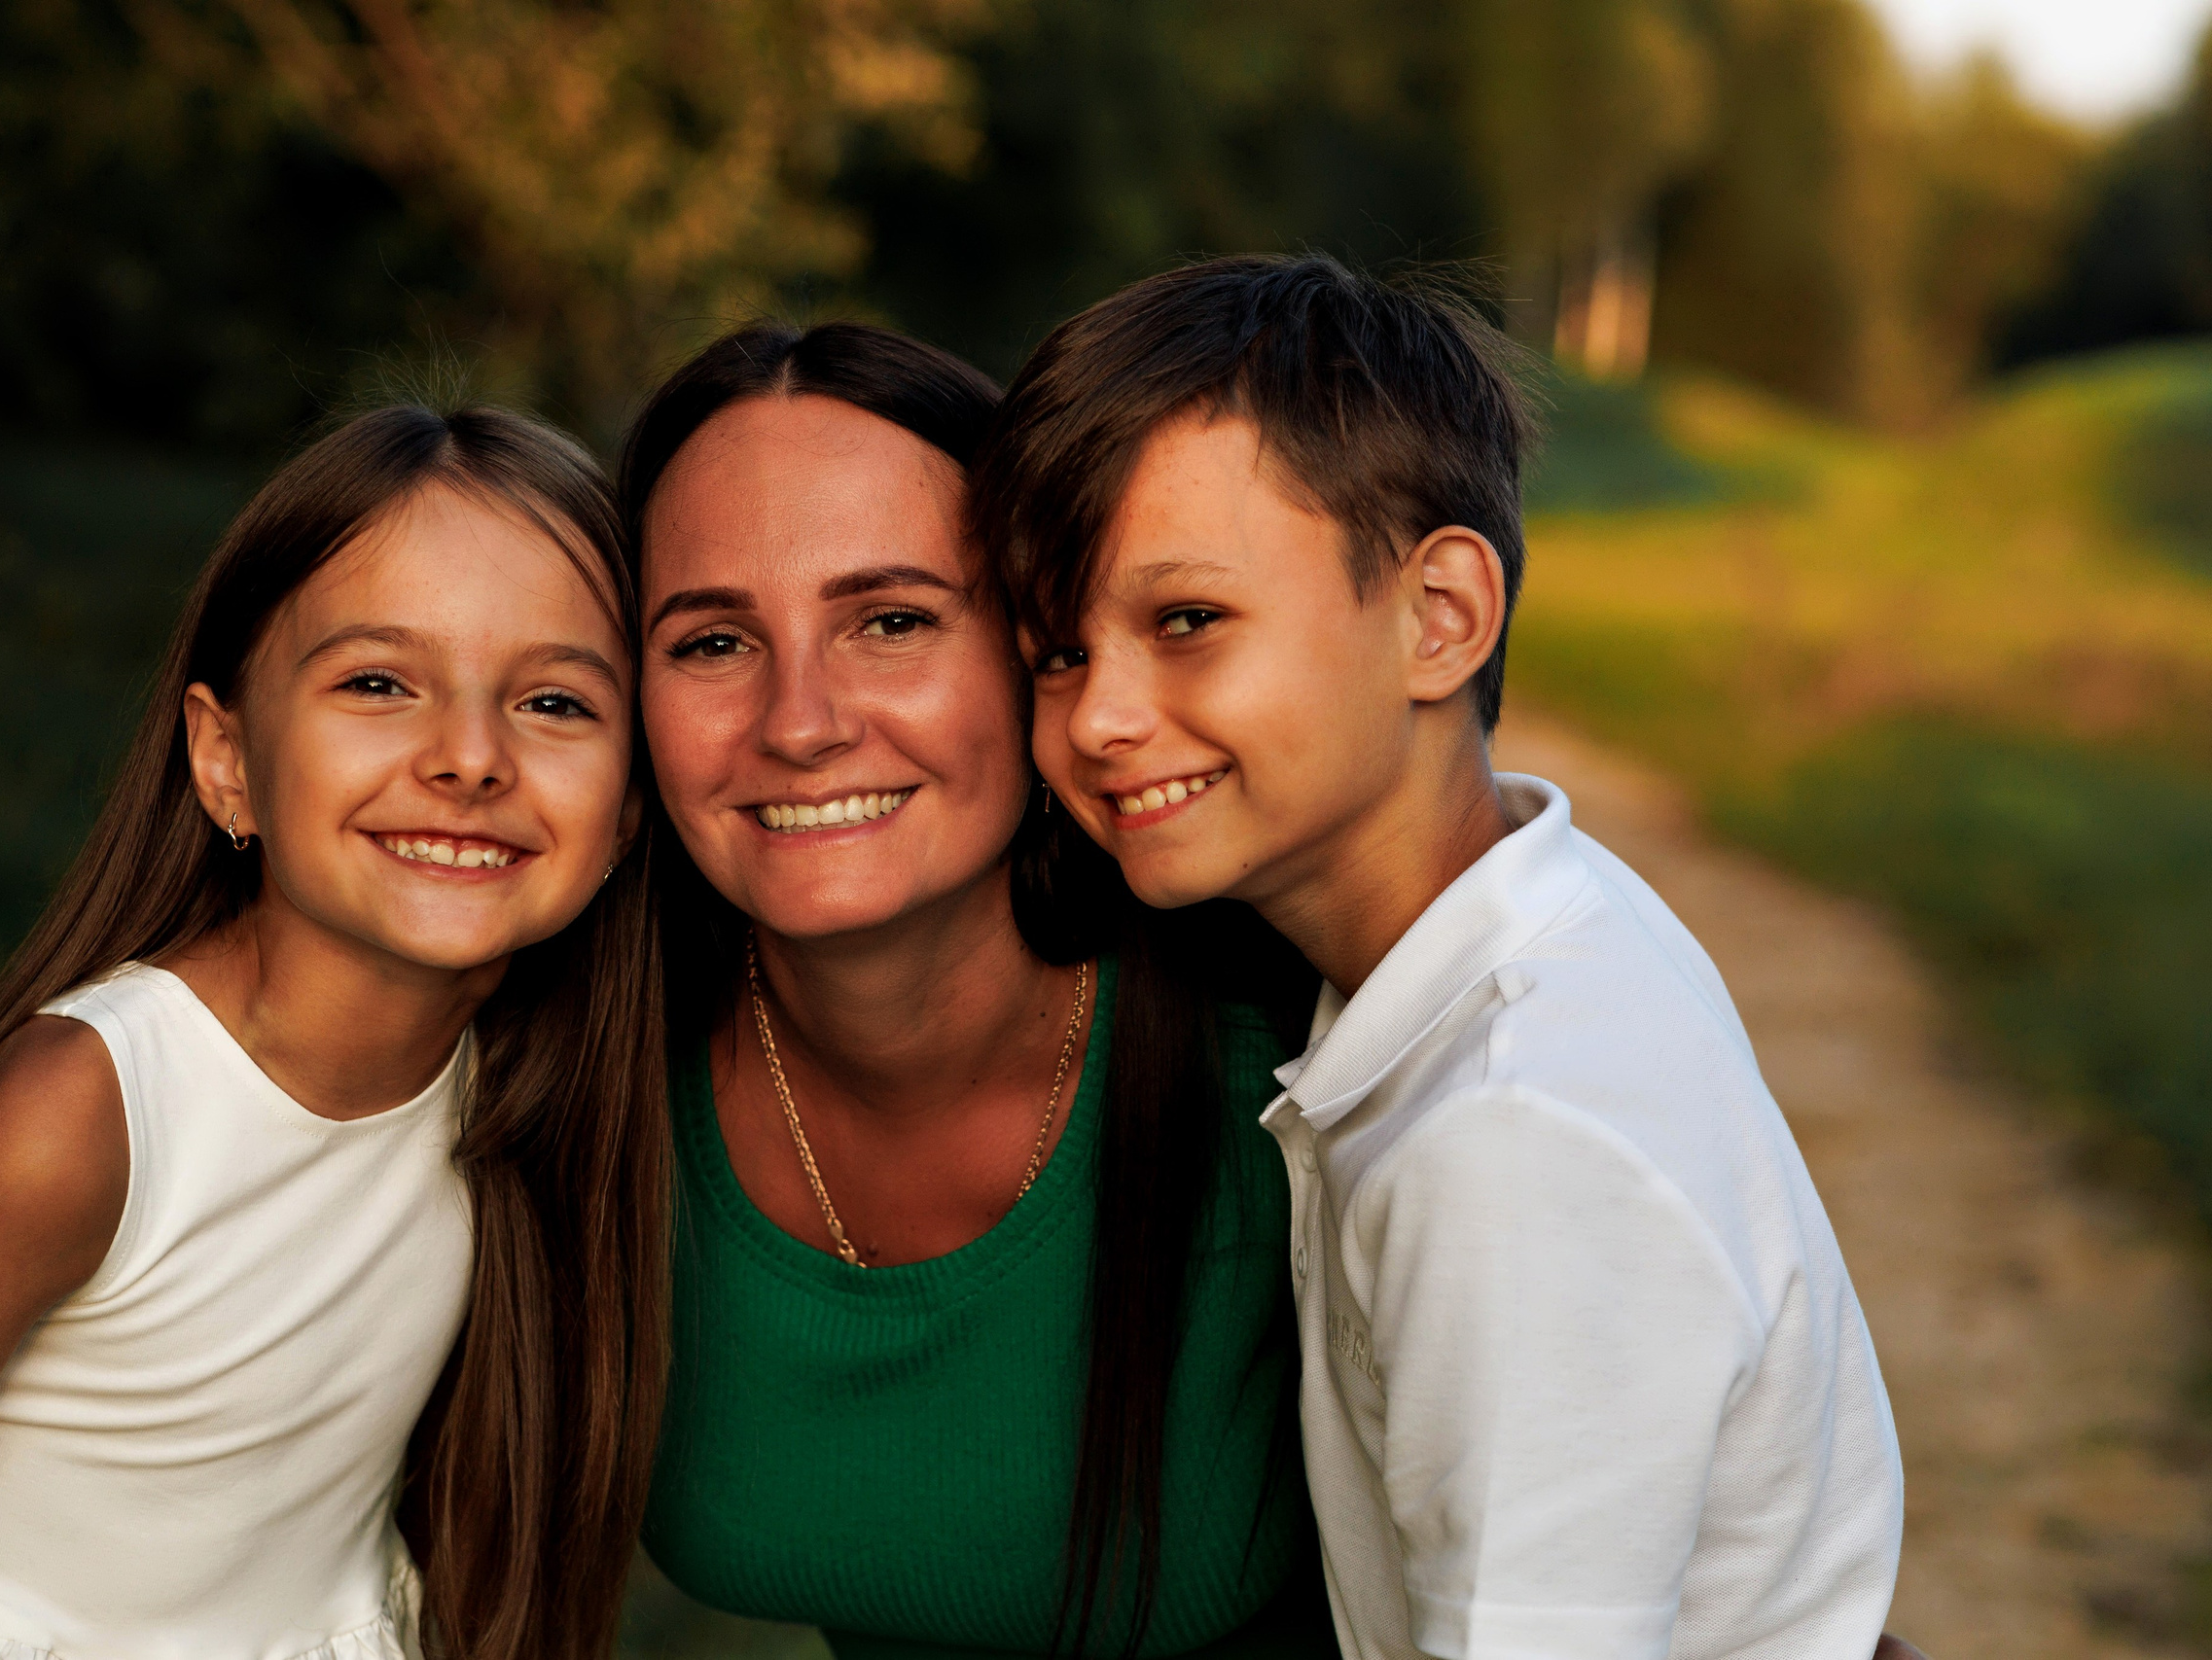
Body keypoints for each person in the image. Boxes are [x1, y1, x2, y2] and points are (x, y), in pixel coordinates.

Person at [978, 255, 1908, 1660]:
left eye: (1184, 622)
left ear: (1439, 618)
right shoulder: (1521, 933)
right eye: (1056, 651)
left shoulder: (1513, 1135)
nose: (1101, 716)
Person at [0, 406, 670, 1660]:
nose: (470, 757)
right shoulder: (83, 1114)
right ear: (225, 759)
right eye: (379, 683)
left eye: (554, 700)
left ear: (629, 809)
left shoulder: (532, 1085)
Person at [621, 320, 1333, 1660]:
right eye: (713, 643)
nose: (800, 722)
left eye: (890, 621)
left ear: (1042, 649)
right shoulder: (584, 1090)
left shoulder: (1281, 1045)